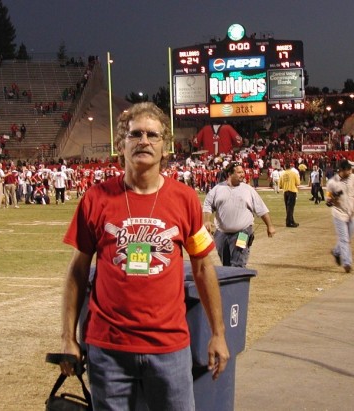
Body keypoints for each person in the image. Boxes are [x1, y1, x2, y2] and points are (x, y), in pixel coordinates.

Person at [60, 102, 229, 410]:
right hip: (107, 348)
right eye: (135, 133)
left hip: (169, 347)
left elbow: (204, 269)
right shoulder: (95, 198)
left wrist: (218, 333)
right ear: (121, 143)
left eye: (152, 135)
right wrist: (67, 337)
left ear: (165, 147)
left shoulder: (185, 198)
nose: (144, 141)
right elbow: (77, 272)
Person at [203, 162, 275, 268]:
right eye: (239, 172)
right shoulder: (217, 189)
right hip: (221, 234)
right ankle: (229, 284)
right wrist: (207, 220)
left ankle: (238, 284)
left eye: (243, 172)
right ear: (230, 174)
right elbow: (207, 205)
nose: (243, 174)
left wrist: (270, 225)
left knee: (238, 263)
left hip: (243, 233)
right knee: (226, 264)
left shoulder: (248, 189)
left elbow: (261, 208)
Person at [327, 159, 354, 273]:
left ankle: (337, 252)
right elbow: (328, 201)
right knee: (344, 239)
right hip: (339, 213)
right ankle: (347, 263)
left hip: (351, 213)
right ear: (341, 170)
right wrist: (333, 199)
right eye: (348, 170)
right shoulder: (332, 183)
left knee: (349, 238)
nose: (350, 171)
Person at [279, 162, 301, 227]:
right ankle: (289, 222)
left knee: (288, 208)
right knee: (291, 208)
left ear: (285, 167)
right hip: (292, 191)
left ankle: (291, 221)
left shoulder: (282, 174)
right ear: (290, 167)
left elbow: (280, 185)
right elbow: (298, 183)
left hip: (285, 192)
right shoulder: (294, 173)